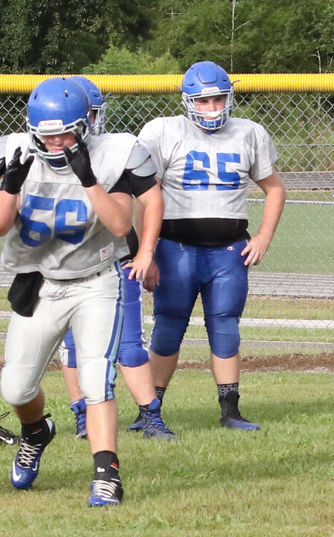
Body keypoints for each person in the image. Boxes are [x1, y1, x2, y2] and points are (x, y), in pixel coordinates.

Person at [1, 77, 160, 506]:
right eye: (48, 136)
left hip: (94, 282)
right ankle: (37, 431)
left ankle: (106, 474)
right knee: (15, 389)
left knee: (95, 379)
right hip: (41, 284)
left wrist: (88, 177)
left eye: (66, 133)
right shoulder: (14, 152)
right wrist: (9, 187)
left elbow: (122, 225)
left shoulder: (111, 156)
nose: (57, 144)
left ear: (86, 125)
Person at [138, 61, 286, 430]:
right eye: (203, 101)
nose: (213, 108)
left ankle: (230, 409)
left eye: (219, 99)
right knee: (168, 326)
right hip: (176, 246)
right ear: (188, 102)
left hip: (228, 250)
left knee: (225, 325)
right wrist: (147, 250)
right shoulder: (163, 131)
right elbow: (145, 194)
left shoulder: (249, 132)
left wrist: (264, 235)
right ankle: (150, 411)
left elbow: (274, 187)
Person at [58, 75, 174, 441]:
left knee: (128, 341)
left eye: (91, 115)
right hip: (65, 262)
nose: (87, 125)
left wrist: (145, 252)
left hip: (115, 257)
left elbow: (152, 200)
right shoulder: (38, 152)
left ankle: (149, 414)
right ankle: (82, 413)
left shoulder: (118, 150)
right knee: (74, 343)